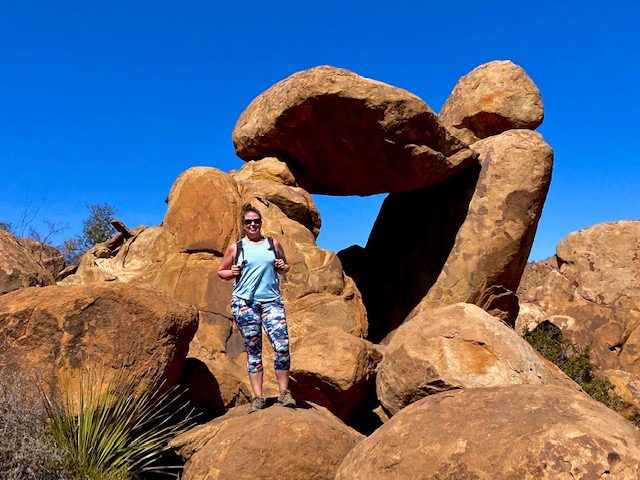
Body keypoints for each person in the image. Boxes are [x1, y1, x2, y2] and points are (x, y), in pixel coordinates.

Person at [218, 204, 297, 413]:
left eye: (256, 221)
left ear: (261, 223)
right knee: (254, 350)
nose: (252, 224)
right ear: (243, 225)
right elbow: (221, 271)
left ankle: (284, 393)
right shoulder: (236, 248)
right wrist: (232, 271)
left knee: (281, 345)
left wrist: (283, 267)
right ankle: (258, 397)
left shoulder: (273, 243)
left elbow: (286, 265)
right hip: (245, 303)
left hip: (272, 301)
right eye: (248, 222)